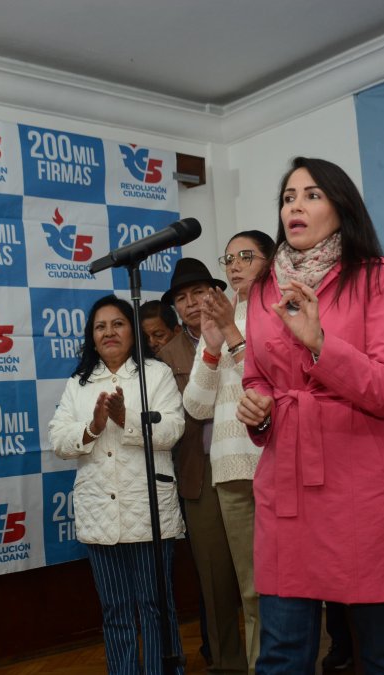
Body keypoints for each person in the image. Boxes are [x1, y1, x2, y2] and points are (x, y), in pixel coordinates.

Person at [236, 157, 384, 672]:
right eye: (287, 197)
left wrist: (321, 345)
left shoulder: (375, 277)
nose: (295, 206)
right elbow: (258, 378)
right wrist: (256, 410)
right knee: (281, 651)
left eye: (311, 195)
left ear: (341, 206)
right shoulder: (262, 289)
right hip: (288, 488)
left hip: (363, 486)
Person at [47, 294, 187, 675]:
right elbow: (58, 440)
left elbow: (173, 430)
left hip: (149, 513)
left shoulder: (155, 374)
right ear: (92, 338)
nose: (109, 332)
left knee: (156, 605)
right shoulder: (78, 384)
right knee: (116, 609)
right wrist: (92, 427)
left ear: (133, 331)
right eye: (100, 326)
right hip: (99, 516)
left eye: (118, 324)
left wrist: (128, 418)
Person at [180, 231, 276, 674]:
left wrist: (233, 335)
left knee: (294, 586)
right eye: (229, 258)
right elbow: (196, 406)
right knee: (251, 590)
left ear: (269, 261)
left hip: (276, 464)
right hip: (231, 470)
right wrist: (213, 345)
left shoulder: (284, 309)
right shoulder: (218, 318)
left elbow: (274, 381)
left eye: (246, 256)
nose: (234, 265)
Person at [155, 257, 247, 675]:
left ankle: (270, 661)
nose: (191, 302)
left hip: (249, 460)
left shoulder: (242, 329)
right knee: (214, 580)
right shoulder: (163, 357)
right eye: (181, 297)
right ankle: (228, 664)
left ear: (216, 293)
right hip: (199, 469)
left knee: (260, 573)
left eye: (198, 292)